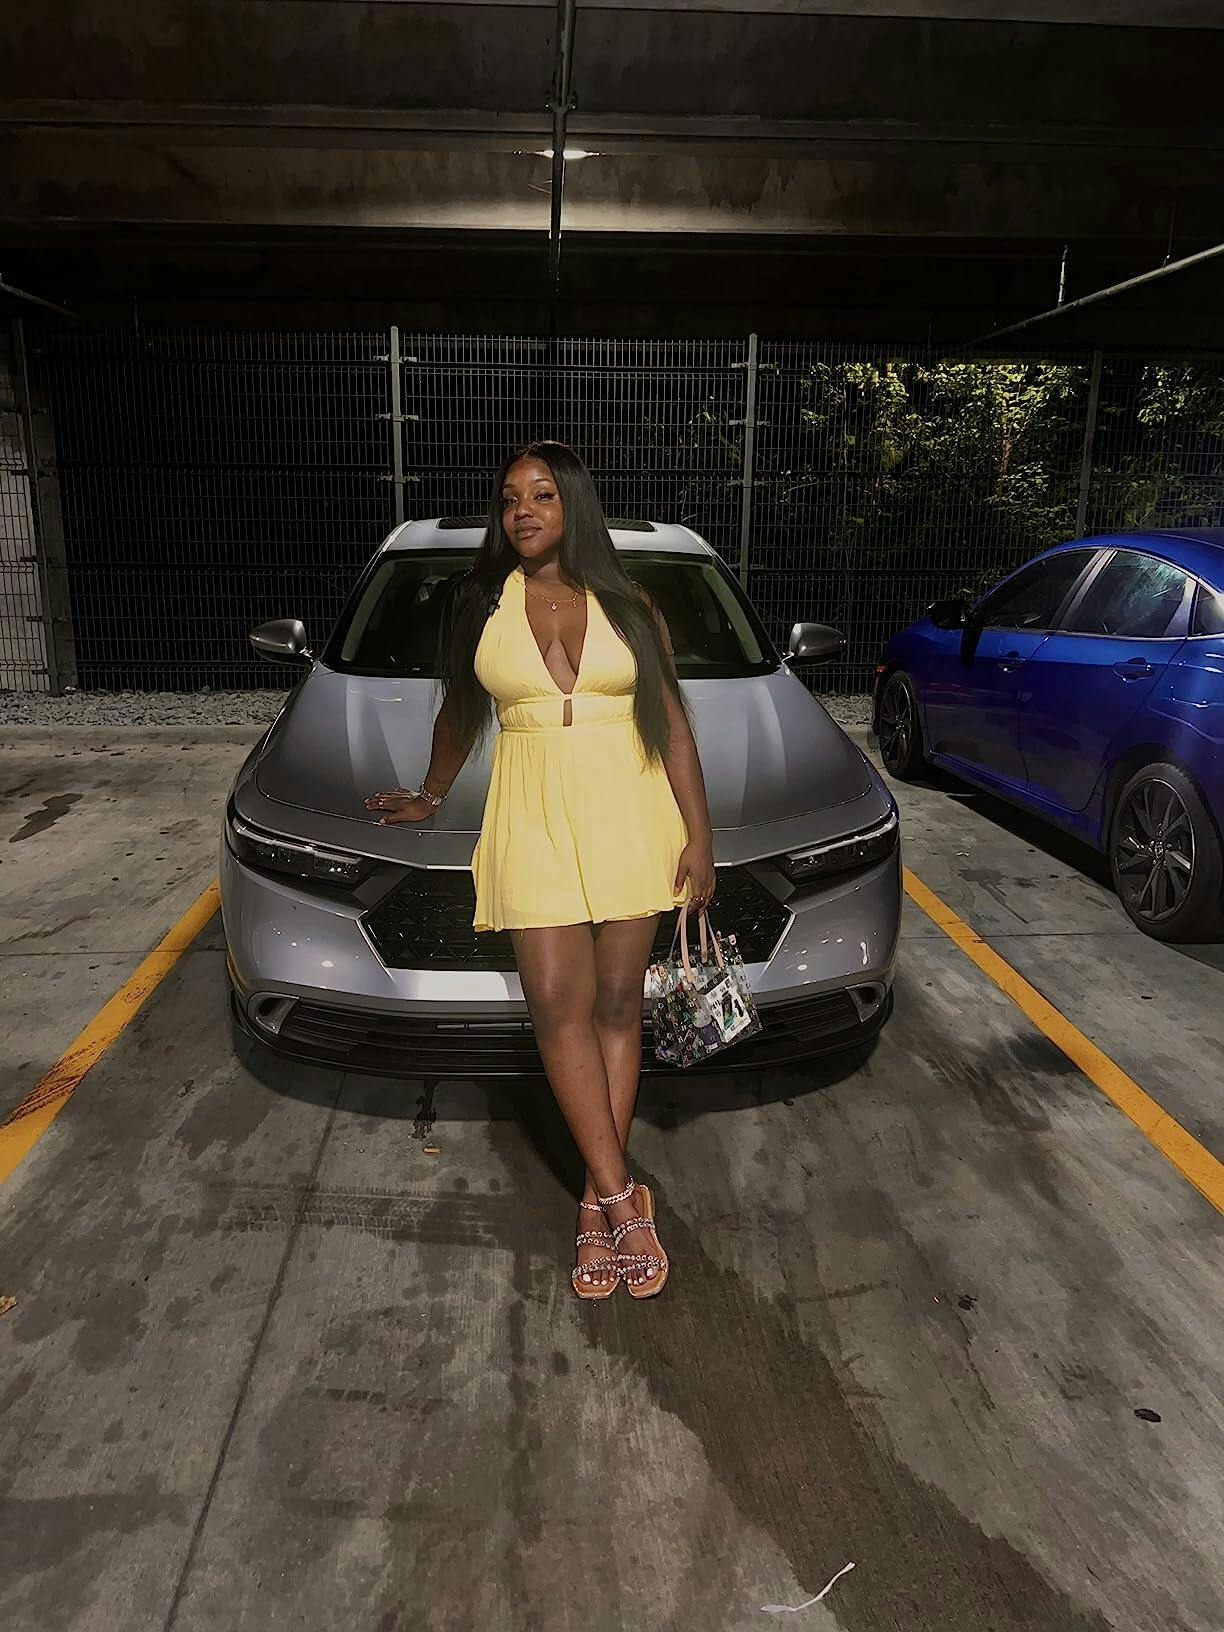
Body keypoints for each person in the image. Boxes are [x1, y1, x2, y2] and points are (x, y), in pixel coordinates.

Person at [363, 441, 716, 1301]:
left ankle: (596, 1203)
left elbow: (672, 724)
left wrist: (699, 838)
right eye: (511, 498)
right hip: (529, 813)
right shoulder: (481, 602)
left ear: (573, 506)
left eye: (543, 495)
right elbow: (459, 711)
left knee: (618, 1005)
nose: (523, 510)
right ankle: (626, 1199)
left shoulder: (631, 605)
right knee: (558, 1006)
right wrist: (431, 793)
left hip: (632, 808)